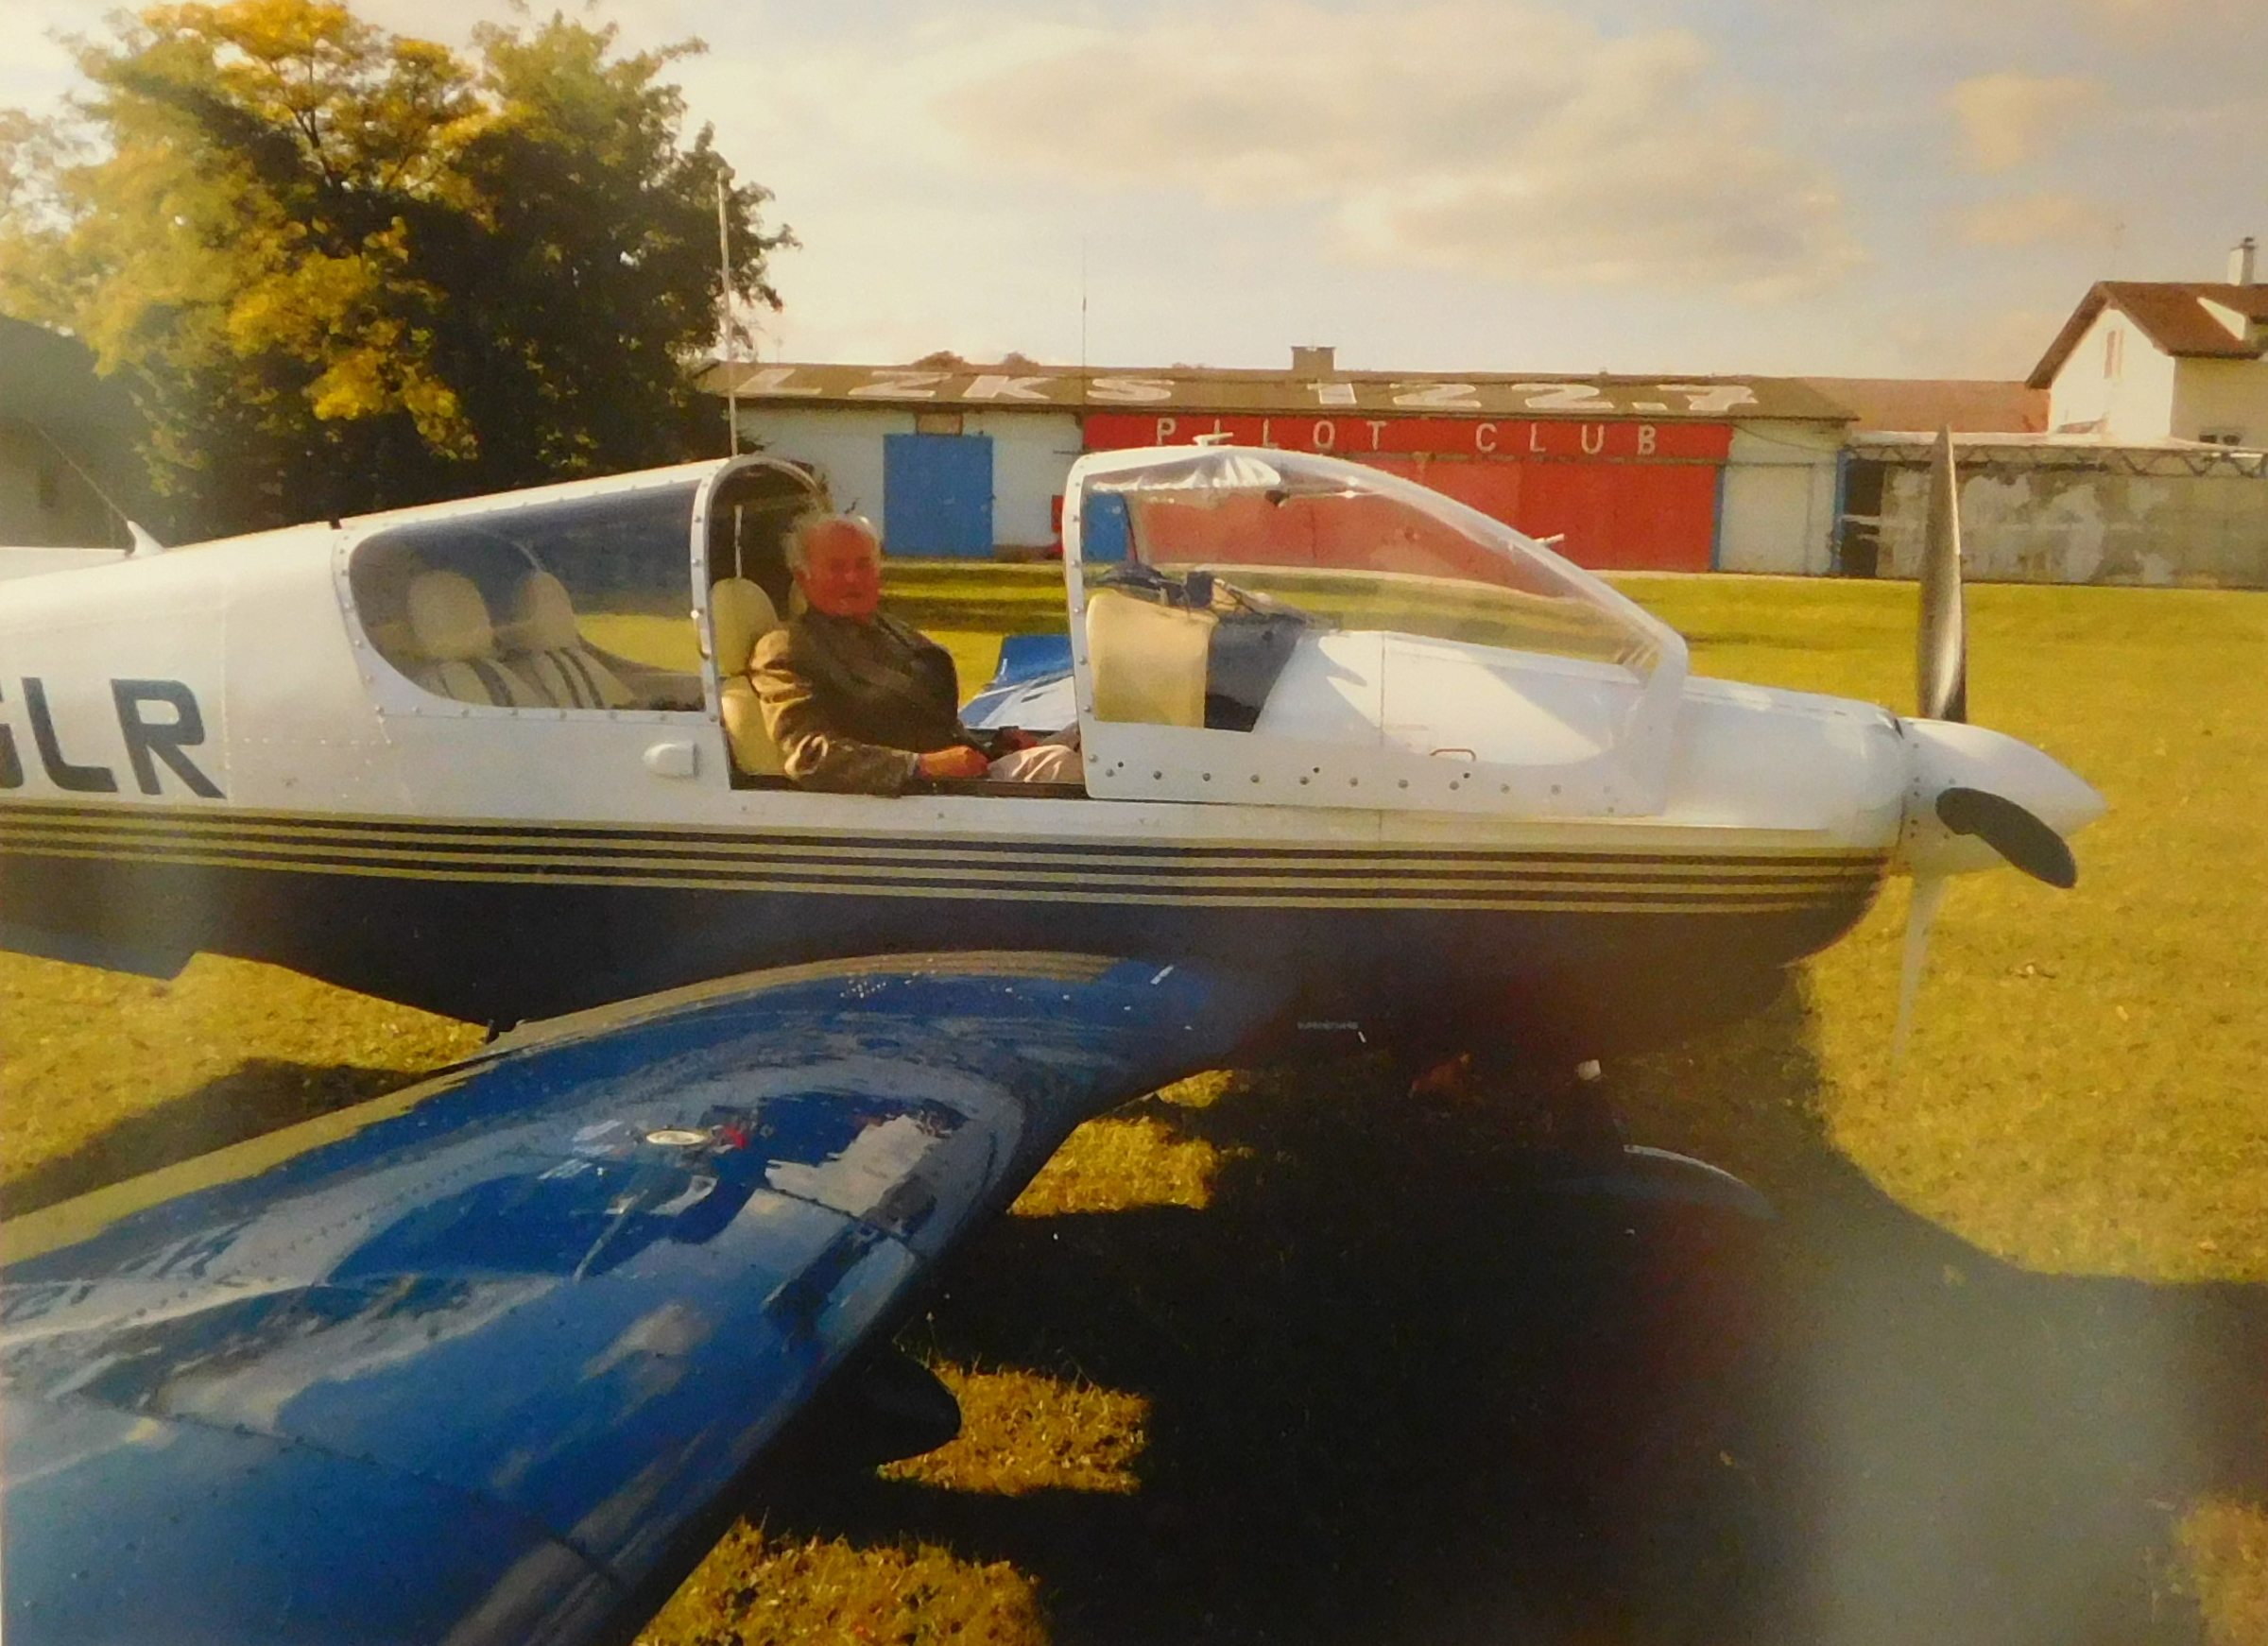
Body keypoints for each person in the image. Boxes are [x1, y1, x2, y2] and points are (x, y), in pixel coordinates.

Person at [749, 513, 1082, 795]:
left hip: (957, 780)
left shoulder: (889, 629)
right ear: (803, 577)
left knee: (1087, 735)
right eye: (836, 568)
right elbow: (809, 757)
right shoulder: (788, 648)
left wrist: (993, 747)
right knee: (1065, 766)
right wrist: (920, 766)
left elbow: (931, 723)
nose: (852, 578)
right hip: (919, 795)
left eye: (863, 564)